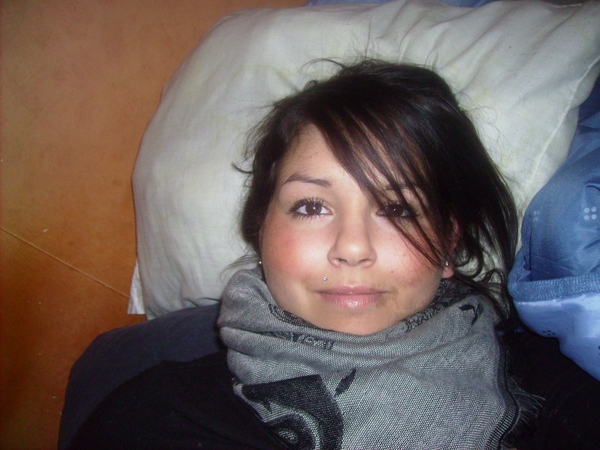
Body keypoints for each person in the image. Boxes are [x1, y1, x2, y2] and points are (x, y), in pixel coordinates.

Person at [70, 60, 528, 449]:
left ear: (449, 242)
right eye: (311, 207)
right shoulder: (157, 419)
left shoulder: (556, 393)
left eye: (397, 209)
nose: (352, 248)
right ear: (261, 230)